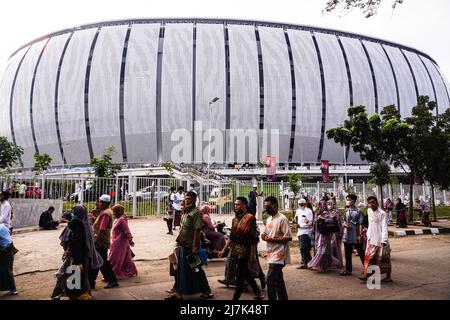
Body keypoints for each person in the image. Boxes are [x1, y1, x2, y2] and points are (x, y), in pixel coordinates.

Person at [165, 191, 213, 300]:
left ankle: (207, 290)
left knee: (196, 268)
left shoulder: (196, 213)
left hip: (191, 247)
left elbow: (197, 230)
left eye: (189, 199)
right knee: (180, 269)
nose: (187, 200)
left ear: (194, 200)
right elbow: (183, 229)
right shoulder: (186, 212)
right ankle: (179, 292)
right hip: (183, 245)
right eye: (186, 198)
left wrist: (195, 246)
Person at [218, 197, 263, 300]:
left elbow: (253, 239)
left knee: (239, 274)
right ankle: (258, 293)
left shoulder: (250, 218)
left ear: (244, 205)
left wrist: (252, 255)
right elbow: (232, 237)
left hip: (246, 251)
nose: (235, 206)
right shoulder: (234, 220)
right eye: (235, 204)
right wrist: (224, 250)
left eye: (238, 204)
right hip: (236, 250)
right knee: (245, 273)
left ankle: (235, 298)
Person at [261, 196, 292, 300]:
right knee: (278, 279)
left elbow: (288, 237)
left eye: (268, 206)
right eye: (265, 206)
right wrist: (264, 236)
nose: (266, 209)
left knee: (269, 280)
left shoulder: (282, 219)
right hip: (271, 253)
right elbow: (266, 233)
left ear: (275, 206)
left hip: (279, 255)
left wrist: (271, 239)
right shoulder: (269, 219)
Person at [89, 194, 119, 289]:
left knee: (101, 262)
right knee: (98, 261)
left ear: (105, 203)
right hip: (102, 240)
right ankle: (91, 282)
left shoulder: (105, 214)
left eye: (100, 202)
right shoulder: (105, 212)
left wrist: (97, 242)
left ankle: (112, 280)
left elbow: (102, 229)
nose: (99, 203)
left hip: (101, 241)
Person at [360, 196, 392, 283]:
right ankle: (367, 275)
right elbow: (370, 224)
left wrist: (384, 240)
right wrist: (367, 234)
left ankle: (388, 276)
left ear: (377, 202)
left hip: (380, 239)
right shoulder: (369, 211)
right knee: (369, 257)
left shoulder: (382, 213)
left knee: (384, 258)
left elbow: (384, 227)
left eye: (373, 202)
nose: (371, 204)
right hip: (371, 238)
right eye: (369, 203)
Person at [308, 200, 342, 273]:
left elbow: (331, 220)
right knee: (323, 250)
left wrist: (322, 218)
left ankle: (322, 266)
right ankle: (324, 266)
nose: (314, 207)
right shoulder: (317, 213)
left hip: (324, 235)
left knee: (323, 250)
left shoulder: (325, 213)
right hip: (318, 234)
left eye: (316, 206)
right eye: (314, 205)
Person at [109, 204, 137, 279]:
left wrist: (130, 240)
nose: (113, 214)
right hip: (116, 241)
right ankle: (129, 271)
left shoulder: (121, 220)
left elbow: (126, 230)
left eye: (114, 212)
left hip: (120, 242)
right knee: (125, 257)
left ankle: (114, 273)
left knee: (115, 258)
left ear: (118, 212)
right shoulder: (117, 219)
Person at [340, 194, 365, 276]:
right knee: (347, 254)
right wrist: (344, 224)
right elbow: (343, 221)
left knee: (361, 253)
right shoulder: (346, 211)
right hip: (347, 236)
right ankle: (348, 270)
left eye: (349, 199)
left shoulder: (359, 211)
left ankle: (367, 269)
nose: (348, 201)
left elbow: (361, 223)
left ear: (354, 200)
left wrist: (360, 235)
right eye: (347, 199)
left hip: (356, 235)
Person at [294, 198, 313, 269]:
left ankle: (309, 263)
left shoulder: (309, 211)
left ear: (305, 204)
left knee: (304, 248)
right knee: (303, 248)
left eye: (302, 204)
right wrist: (295, 223)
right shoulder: (298, 211)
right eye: (300, 204)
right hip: (300, 231)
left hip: (306, 231)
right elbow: (296, 218)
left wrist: (304, 224)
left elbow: (311, 222)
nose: (301, 206)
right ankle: (307, 263)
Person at [0, 223, 17, 296]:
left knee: (7, 270)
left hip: (6, 250)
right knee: (5, 269)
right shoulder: (2, 226)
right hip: (9, 247)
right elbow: (10, 232)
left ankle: (13, 289)